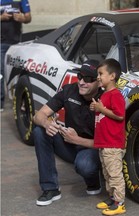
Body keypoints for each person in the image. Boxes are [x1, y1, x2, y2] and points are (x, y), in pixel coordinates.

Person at [33, 59, 103, 206]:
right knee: (40, 131)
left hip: (92, 149)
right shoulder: (69, 90)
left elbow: (108, 143)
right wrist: (47, 123)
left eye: (88, 79)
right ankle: (50, 189)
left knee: (85, 165)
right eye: (80, 77)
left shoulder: (105, 101)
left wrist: (77, 140)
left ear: (99, 82)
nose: (82, 82)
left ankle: (93, 180)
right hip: (69, 145)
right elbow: (38, 115)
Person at [90, 59, 126, 215]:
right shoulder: (104, 94)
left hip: (113, 143)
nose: (98, 77)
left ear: (112, 76)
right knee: (107, 173)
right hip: (104, 143)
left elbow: (119, 115)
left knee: (115, 174)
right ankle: (112, 198)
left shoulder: (115, 94)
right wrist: (96, 108)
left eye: (100, 74)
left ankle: (119, 203)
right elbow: (104, 113)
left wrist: (101, 109)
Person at [0, 0, 32, 111]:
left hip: (17, 44)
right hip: (1, 44)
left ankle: (20, 101)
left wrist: (23, 18)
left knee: (18, 73)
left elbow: (28, 17)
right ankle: (0, 102)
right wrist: (1, 17)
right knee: (0, 73)